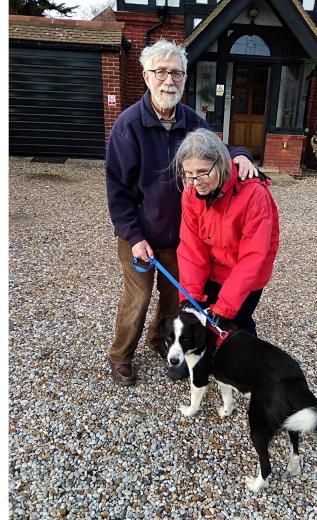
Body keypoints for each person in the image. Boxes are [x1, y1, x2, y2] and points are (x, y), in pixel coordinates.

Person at [105, 40, 257, 386]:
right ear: (146, 76)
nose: (168, 80)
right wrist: (134, 236)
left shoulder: (192, 121)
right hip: (139, 236)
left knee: (175, 297)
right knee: (139, 296)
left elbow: (219, 149)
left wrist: (242, 154)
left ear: (185, 80)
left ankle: (160, 339)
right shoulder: (128, 126)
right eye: (161, 72)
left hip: (183, 237)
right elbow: (118, 192)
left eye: (176, 73)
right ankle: (120, 356)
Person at [173, 128, 280, 339]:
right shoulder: (191, 192)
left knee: (235, 322)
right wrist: (190, 296)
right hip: (213, 269)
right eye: (189, 174)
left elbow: (254, 256)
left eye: (203, 172)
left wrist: (225, 306)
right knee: (198, 317)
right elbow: (191, 248)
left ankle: (249, 361)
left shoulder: (254, 194)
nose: (197, 182)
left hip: (246, 273)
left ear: (221, 163)